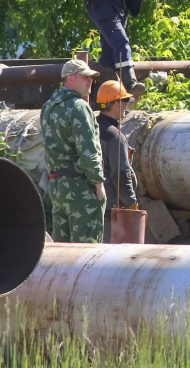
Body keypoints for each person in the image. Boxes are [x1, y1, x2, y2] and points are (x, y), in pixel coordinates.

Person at [40, 60, 107, 243]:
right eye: (85, 76)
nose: (90, 80)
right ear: (70, 77)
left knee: (63, 254)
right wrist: (98, 184)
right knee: (87, 255)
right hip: (80, 189)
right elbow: (88, 150)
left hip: (57, 187)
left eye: (91, 77)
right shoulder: (78, 106)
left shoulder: (47, 107)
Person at [95, 80, 139, 242]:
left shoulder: (90, 129)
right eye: (125, 101)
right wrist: (131, 203)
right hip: (112, 209)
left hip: (91, 205)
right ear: (115, 104)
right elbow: (120, 175)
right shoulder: (115, 137)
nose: (126, 106)